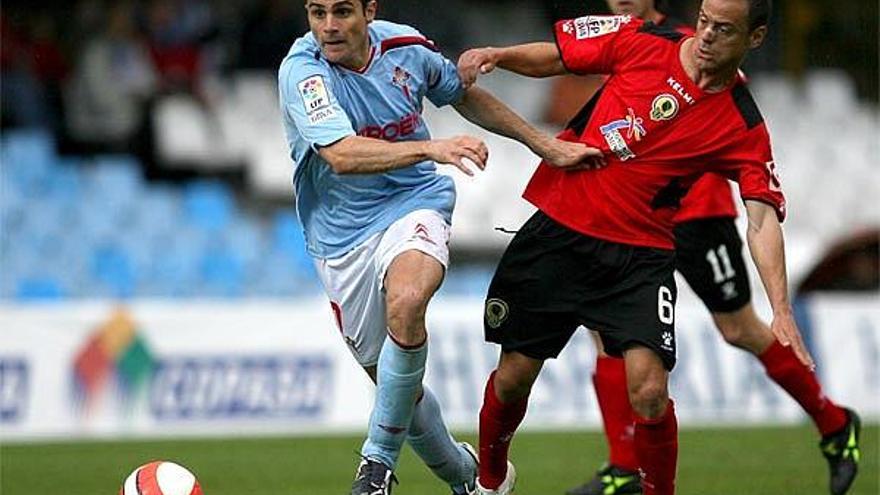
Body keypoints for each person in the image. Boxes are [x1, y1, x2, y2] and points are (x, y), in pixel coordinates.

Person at [457, 0, 860, 493]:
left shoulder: (741, 122)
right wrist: (499, 54)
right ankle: (502, 478)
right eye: (707, 22)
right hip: (562, 231)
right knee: (516, 376)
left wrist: (781, 307)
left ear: (752, 39)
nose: (708, 35)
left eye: (724, 28)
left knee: (661, 379)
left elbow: (762, 218)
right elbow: (559, 56)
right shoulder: (641, 40)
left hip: (650, 247)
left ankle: (827, 425)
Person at [278, 1, 603, 494]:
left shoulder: (406, 47)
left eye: (342, 12)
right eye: (317, 12)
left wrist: (544, 144)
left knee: (408, 301)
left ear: (369, 10)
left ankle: (376, 465)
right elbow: (340, 155)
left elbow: (462, 93)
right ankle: (465, 478)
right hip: (339, 238)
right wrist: (433, 147)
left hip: (414, 200)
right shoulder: (303, 71)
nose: (328, 27)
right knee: (397, 393)